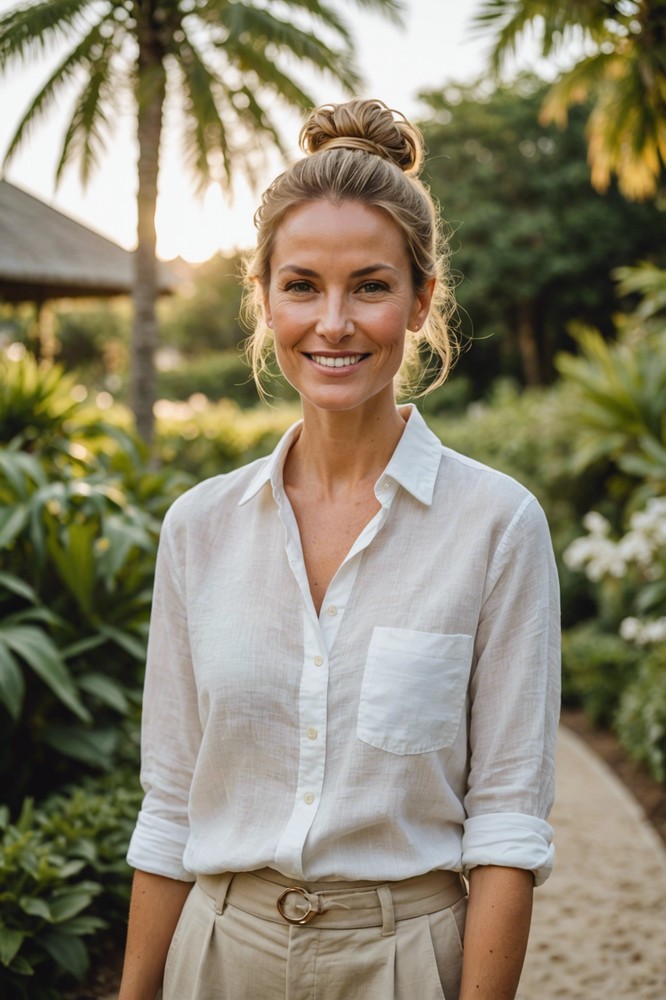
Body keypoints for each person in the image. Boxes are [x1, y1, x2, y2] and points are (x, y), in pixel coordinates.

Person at [119, 98, 560, 1000]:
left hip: (407, 962)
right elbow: (169, 808)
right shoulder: (198, 528)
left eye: (369, 285)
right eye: (301, 286)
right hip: (218, 956)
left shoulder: (497, 526)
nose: (334, 323)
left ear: (420, 299)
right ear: (264, 298)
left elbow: (509, 826)